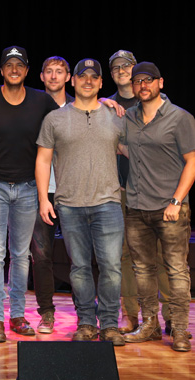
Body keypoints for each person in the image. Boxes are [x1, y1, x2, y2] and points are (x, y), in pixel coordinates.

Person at [36, 58, 126, 346]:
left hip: (108, 203)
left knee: (111, 266)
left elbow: (135, 148)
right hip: (70, 205)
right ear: (72, 81)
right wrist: (43, 199)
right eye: (82, 76)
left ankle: (110, 323)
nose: (87, 80)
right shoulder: (55, 119)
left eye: (93, 77)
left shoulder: (116, 117)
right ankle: (87, 322)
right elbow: (43, 159)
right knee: (80, 268)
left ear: (101, 83)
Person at [0, 46, 58, 342]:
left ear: (26, 70)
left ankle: (17, 315)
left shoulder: (41, 101)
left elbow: (70, 116)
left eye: (19, 65)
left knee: (21, 256)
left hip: (27, 189)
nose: (14, 69)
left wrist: (104, 104)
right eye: (8, 64)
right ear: (1, 70)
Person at [122, 62, 195, 352]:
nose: (143, 86)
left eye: (148, 81)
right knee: (143, 271)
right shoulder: (128, 117)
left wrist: (177, 201)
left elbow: (192, 162)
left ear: (160, 83)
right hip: (137, 207)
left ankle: (180, 330)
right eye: (138, 81)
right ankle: (149, 325)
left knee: (177, 270)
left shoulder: (180, 118)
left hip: (170, 209)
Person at [107, 50, 172, 334]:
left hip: (156, 190)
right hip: (120, 189)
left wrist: (127, 149)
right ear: (111, 74)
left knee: (161, 254)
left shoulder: (157, 104)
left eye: (127, 66)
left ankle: (170, 315)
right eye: (116, 67)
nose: (122, 70)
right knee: (123, 255)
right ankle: (130, 314)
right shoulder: (106, 107)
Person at [29, 56, 74, 334]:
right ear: (42, 76)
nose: (55, 76)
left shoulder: (81, 105)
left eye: (60, 72)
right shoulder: (33, 105)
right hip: (41, 191)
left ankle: (85, 312)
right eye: (49, 72)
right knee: (41, 255)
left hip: (73, 191)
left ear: (69, 77)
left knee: (78, 255)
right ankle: (46, 313)